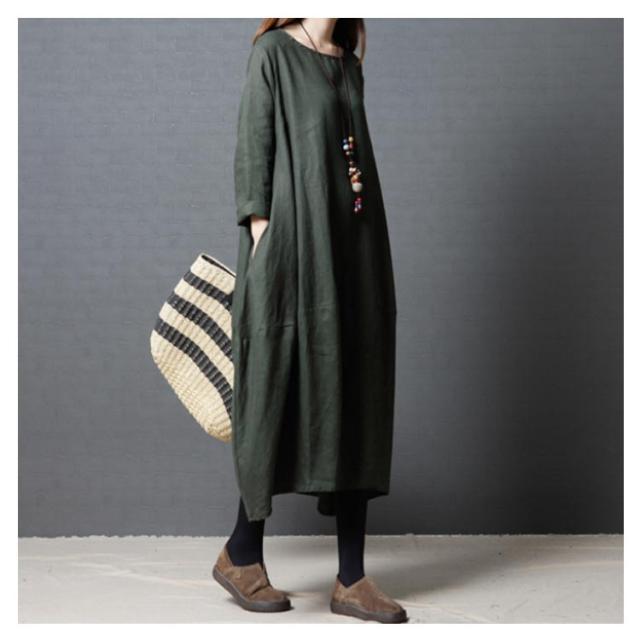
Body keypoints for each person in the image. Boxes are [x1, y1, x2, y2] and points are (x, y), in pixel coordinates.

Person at [212, 18, 406, 623]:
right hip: (295, 250)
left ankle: (351, 578)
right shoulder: (273, 53)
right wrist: (266, 238)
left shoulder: (347, 60)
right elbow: (254, 149)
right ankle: (243, 553)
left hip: (354, 250)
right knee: (279, 391)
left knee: (356, 391)